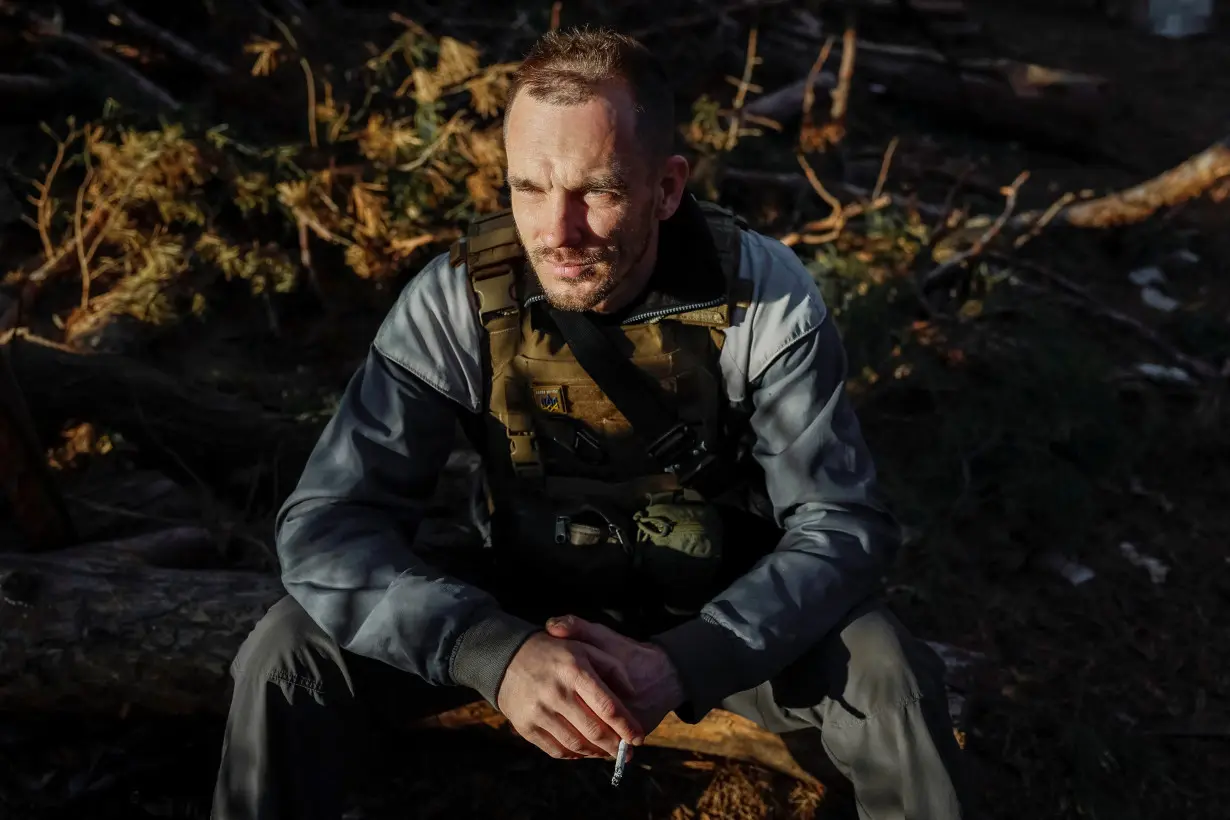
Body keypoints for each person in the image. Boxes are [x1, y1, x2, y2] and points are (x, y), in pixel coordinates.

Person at [211, 26, 972, 820]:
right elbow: (328, 527)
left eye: (596, 190)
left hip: (722, 609)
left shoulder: (763, 298)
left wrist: (685, 661)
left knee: (888, 675)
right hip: (527, 599)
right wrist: (492, 653)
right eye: (528, 188)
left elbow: (840, 525)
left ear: (668, 188)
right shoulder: (454, 301)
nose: (555, 232)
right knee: (286, 652)